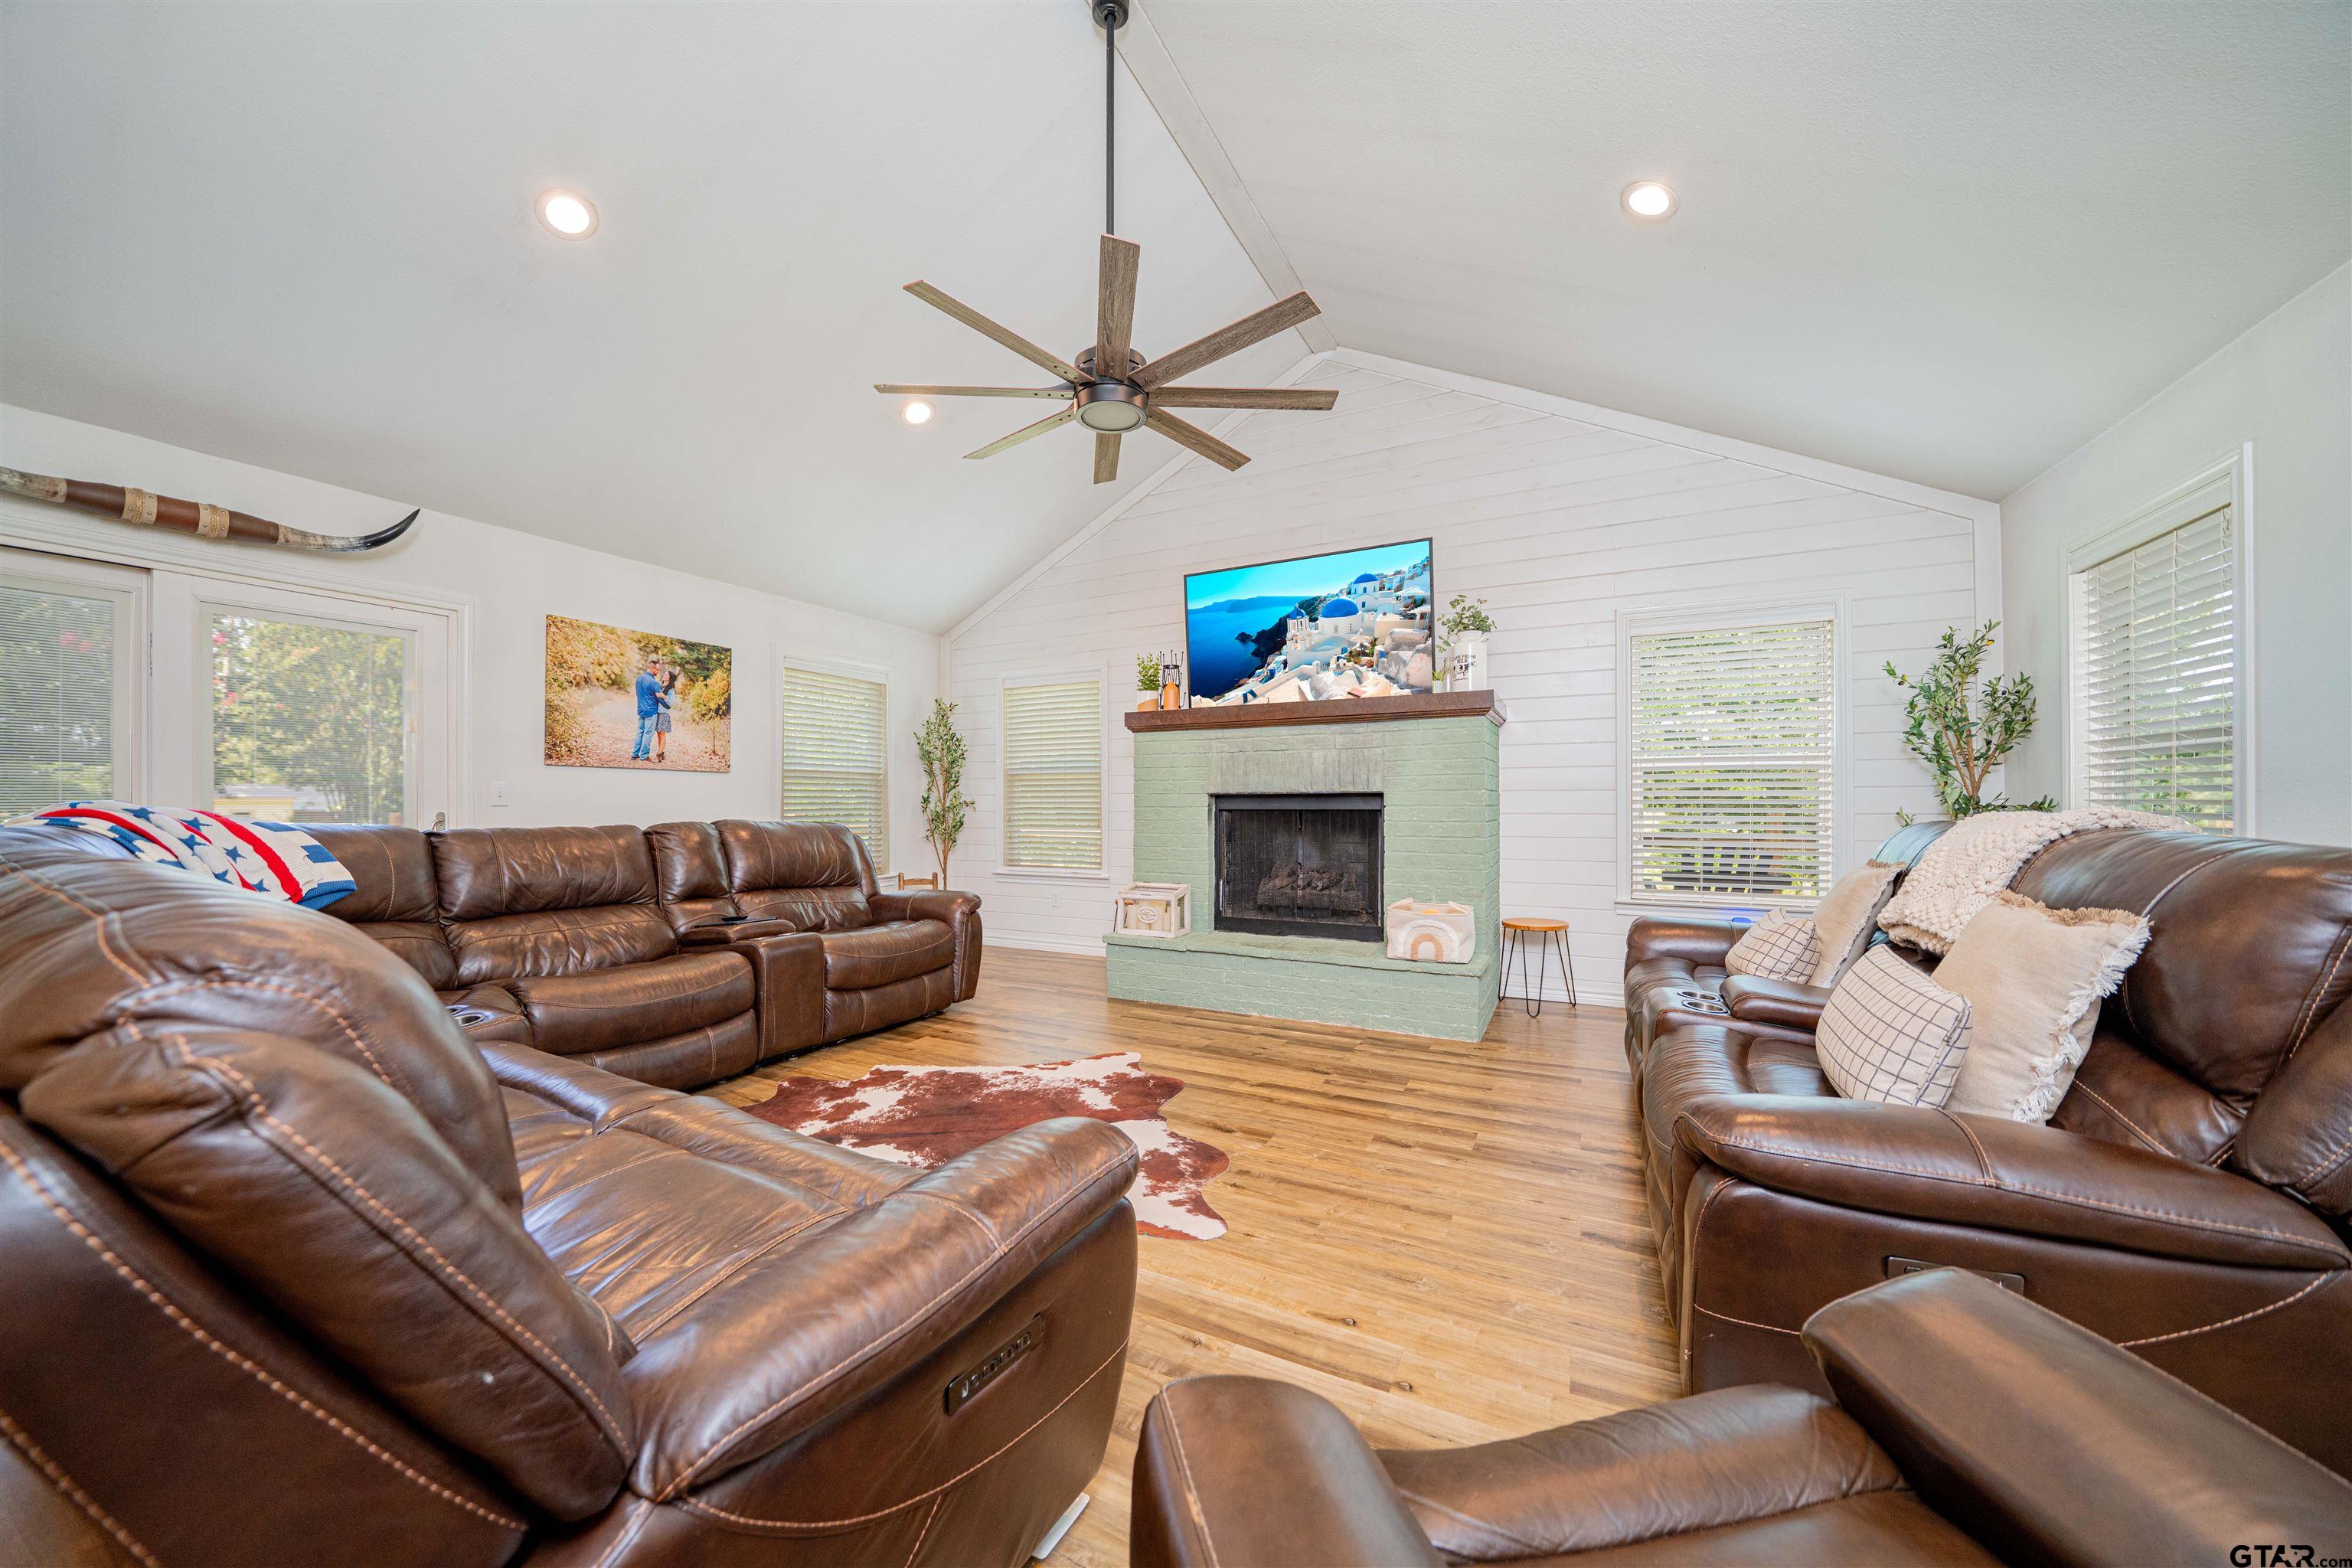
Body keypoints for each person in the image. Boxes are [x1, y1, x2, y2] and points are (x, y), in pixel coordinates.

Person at [630, 656, 663, 762]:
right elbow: (660, 698)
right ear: (653, 669)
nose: (658, 672)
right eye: (657, 670)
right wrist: (667, 704)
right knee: (648, 734)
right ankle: (644, 756)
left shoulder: (639, 678)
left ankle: (635, 754)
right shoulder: (654, 683)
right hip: (651, 711)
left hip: (641, 710)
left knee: (640, 732)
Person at [652, 665, 680, 763]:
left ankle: (658, 755)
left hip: (664, 714)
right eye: (664, 674)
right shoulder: (659, 685)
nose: (663, 674)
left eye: (666, 674)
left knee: (662, 734)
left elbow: (671, 703)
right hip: (656, 712)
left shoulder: (671, 690)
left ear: (670, 678)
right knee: (659, 734)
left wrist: (664, 697)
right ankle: (661, 751)